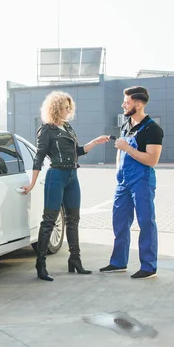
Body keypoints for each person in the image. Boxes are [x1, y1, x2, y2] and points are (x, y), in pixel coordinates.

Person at [22, 91, 110, 281]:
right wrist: (32, 183)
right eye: (65, 107)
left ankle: (75, 260)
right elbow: (38, 157)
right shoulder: (46, 130)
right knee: (49, 220)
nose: (68, 110)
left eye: (70, 107)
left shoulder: (68, 127)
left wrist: (95, 142)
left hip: (72, 176)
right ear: (56, 108)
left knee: (73, 220)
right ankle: (41, 264)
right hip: (56, 176)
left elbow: (77, 152)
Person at [100, 86, 164, 279]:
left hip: (142, 181)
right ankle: (118, 262)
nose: (123, 105)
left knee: (146, 222)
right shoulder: (126, 124)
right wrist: (118, 171)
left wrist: (127, 148)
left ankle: (148, 266)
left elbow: (152, 160)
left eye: (126, 102)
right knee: (119, 221)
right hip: (123, 181)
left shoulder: (152, 129)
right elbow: (121, 150)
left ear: (138, 103)